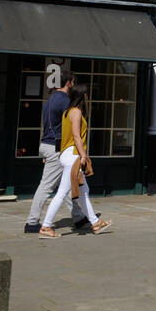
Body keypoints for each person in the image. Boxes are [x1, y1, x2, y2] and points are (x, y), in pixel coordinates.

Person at [40, 84, 111, 237]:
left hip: (67, 154)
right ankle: (45, 227)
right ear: (82, 96)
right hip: (73, 155)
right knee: (61, 193)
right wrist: (83, 155)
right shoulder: (76, 112)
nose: (87, 97)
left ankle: (95, 223)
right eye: (86, 94)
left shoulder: (67, 113)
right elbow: (77, 136)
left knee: (84, 191)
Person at [24, 73, 87, 234]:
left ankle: (79, 217)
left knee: (65, 183)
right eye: (73, 82)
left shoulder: (50, 100)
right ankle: (32, 223)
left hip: (48, 144)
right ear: (68, 83)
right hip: (56, 147)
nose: (74, 85)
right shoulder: (65, 101)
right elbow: (71, 126)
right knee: (46, 186)